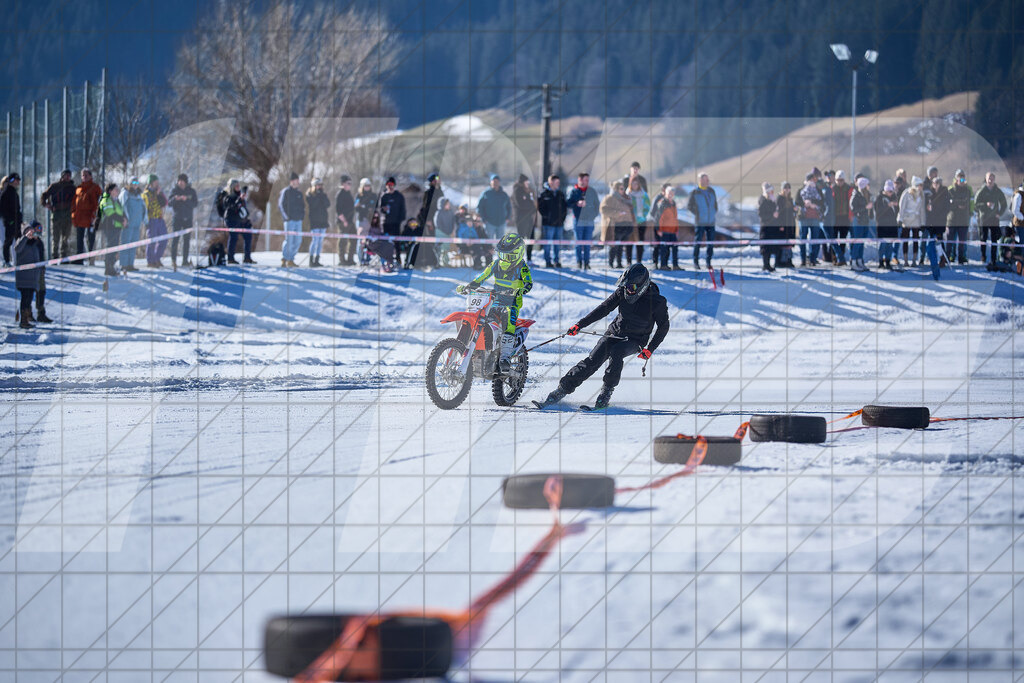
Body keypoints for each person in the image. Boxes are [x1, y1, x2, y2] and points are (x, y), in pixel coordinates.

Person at [534, 263, 669, 410]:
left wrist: (650, 349)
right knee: (591, 361)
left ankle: (605, 395)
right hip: (614, 333)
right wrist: (579, 325)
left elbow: (663, 327)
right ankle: (560, 392)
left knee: (617, 352)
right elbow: (603, 309)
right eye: (626, 287)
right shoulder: (622, 292)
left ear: (642, 286)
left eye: (631, 287)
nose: (628, 291)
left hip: (636, 340)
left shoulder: (657, 302)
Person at [455, 234, 533, 373]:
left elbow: (528, 283)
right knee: (478, 315)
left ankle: (505, 357)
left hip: (511, 303)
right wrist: (470, 286)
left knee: (508, 318)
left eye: (508, 256)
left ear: (518, 253)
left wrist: (520, 290)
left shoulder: (522, 267)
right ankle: (476, 349)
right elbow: (482, 277)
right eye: (502, 254)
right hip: (494, 301)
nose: (504, 259)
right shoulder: (496, 264)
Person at [14, 222, 46, 329]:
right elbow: (17, 249)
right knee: (25, 298)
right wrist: (25, 237)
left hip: (32, 280)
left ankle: (27, 319)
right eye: (29, 232)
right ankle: (23, 320)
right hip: (24, 279)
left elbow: (38, 261)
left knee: (29, 299)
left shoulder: (35, 245)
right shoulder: (21, 242)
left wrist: (40, 271)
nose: (31, 234)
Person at [409, 173, 443, 269]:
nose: (438, 181)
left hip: (438, 221)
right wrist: (428, 221)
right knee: (427, 242)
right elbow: (425, 209)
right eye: (436, 179)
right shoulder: (428, 193)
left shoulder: (440, 192)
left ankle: (434, 262)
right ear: (432, 181)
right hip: (428, 221)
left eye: (439, 179)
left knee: (435, 242)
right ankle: (422, 262)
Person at [567, 172, 600, 270]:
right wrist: (577, 203)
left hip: (589, 221)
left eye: (587, 180)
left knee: (587, 243)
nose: (586, 182)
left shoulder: (592, 191)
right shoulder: (574, 191)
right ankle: (578, 262)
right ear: (579, 180)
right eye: (584, 180)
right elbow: (568, 203)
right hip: (578, 220)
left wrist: (593, 216)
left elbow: (596, 205)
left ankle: (586, 262)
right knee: (578, 242)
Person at [41, 169, 75, 260]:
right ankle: (54, 257)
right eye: (66, 175)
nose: (67, 177)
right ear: (62, 176)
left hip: (68, 215)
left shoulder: (72, 188)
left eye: (69, 175)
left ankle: (63, 257)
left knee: (66, 237)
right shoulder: (55, 186)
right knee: (55, 238)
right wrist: (47, 205)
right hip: (56, 214)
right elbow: (44, 195)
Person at [600, 180, 634, 269]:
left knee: (621, 246)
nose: (623, 190)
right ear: (616, 189)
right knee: (614, 245)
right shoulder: (609, 198)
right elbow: (603, 210)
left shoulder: (625, 198)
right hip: (616, 226)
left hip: (626, 226)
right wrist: (617, 213)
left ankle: (619, 263)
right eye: (621, 189)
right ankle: (611, 262)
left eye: (624, 188)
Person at [975, 172, 1007, 266]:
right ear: (986, 179)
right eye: (989, 178)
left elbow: (1004, 204)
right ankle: (983, 256)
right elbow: (976, 205)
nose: (990, 180)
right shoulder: (982, 190)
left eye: (992, 178)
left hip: (994, 218)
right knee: (983, 238)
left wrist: (999, 213)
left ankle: (993, 259)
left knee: (994, 239)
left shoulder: (997, 191)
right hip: (984, 218)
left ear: (994, 179)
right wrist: (985, 205)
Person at [167, 173, 198, 269]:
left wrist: (186, 200)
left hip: (188, 219)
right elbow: (169, 203)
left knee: (186, 241)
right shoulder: (174, 190)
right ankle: (173, 260)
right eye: (179, 181)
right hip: (177, 219)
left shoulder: (191, 191)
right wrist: (176, 199)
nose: (180, 183)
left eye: (182, 181)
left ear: (186, 182)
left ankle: (185, 260)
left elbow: (195, 204)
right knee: (175, 240)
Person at [71, 168, 101, 265]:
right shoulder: (79, 189)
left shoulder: (95, 188)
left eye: (86, 175)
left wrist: (94, 216)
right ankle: (79, 258)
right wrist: (73, 216)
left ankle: (91, 259)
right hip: (79, 218)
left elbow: (97, 203)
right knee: (79, 239)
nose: (84, 177)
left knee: (90, 239)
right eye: (82, 175)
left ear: (91, 176)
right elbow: (74, 204)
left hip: (90, 218)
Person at [536, 174, 567, 268]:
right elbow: (540, 208)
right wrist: (547, 217)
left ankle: (557, 261)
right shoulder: (544, 194)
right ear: (551, 182)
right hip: (548, 224)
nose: (558, 184)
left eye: (558, 182)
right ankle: (548, 261)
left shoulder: (560, 194)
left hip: (559, 224)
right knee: (548, 244)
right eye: (556, 182)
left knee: (557, 245)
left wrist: (562, 219)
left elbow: (564, 208)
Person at [687, 172, 717, 269]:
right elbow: (689, 206)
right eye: (706, 179)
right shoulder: (695, 192)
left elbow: (715, 205)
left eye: (708, 179)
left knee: (710, 242)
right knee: (698, 242)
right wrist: (698, 213)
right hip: (700, 222)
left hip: (711, 222)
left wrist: (713, 213)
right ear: (700, 180)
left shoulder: (712, 191)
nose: (708, 181)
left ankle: (708, 262)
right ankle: (696, 262)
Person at [97, 183, 126, 277]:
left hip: (117, 227)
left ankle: (112, 266)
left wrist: (125, 219)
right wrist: (121, 220)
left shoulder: (117, 201)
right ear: (110, 191)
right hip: (109, 227)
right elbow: (110, 213)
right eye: (115, 189)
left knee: (115, 247)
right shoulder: (106, 200)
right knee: (110, 246)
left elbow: (121, 211)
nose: (117, 191)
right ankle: (108, 268)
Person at [945, 169, 973, 265]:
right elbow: (949, 204)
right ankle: (948, 257)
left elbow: (969, 202)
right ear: (956, 178)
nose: (961, 179)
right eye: (959, 177)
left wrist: (970, 212)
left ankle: (961, 257)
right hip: (952, 219)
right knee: (950, 241)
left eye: (963, 177)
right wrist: (957, 204)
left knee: (962, 241)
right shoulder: (950, 189)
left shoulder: (968, 189)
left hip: (963, 219)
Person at [898, 176, 926, 270]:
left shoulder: (922, 195)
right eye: (920, 185)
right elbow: (902, 206)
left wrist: (922, 222)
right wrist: (900, 219)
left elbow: (922, 209)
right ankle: (905, 260)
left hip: (916, 220)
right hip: (906, 219)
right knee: (905, 239)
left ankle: (914, 260)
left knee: (915, 240)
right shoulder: (906, 193)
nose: (921, 187)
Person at [224, 180, 255, 264]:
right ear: (232, 187)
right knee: (233, 237)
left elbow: (243, 209)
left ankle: (247, 258)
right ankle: (230, 258)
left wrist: (247, 220)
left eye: (238, 186)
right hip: (231, 220)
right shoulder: (228, 197)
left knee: (248, 236)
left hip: (241, 220)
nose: (238, 187)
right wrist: (239, 199)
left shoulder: (240, 196)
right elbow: (232, 207)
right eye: (236, 186)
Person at [119, 178, 146, 272]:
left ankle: (130, 264)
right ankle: (124, 264)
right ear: (130, 183)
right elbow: (122, 206)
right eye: (133, 182)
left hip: (137, 224)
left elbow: (143, 208)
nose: (135, 184)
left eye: (137, 183)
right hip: (128, 223)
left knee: (133, 244)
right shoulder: (125, 193)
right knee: (125, 243)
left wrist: (144, 220)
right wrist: (124, 218)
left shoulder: (139, 195)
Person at [278, 172, 305, 267]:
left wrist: (302, 216)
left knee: (298, 240)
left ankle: (290, 258)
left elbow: (302, 206)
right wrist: (286, 217)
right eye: (296, 180)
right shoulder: (286, 191)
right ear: (291, 181)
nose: (297, 182)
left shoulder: (299, 193)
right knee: (288, 240)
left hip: (298, 221)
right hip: (289, 221)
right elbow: (281, 205)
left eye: (298, 180)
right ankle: (285, 258)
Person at [141, 174, 168, 268]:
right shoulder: (146, 194)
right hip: (152, 219)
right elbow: (145, 208)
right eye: (155, 182)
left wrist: (159, 194)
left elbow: (164, 203)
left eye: (157, 182)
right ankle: (150, 260)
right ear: (151, 183)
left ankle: (157, 258)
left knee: (164, 239)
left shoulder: (159, 193)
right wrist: (146, 221)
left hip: (160, 218)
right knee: (152, 241)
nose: (157, 184)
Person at [925, 175, 951, 272]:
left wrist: (941, 214)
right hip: (931, 220)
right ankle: (932, 258)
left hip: (940, 221)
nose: (936, 185)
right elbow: (926, 205)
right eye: (934, 183)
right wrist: (928, 208)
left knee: (939, 240)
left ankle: (942, 258)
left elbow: (948, 207)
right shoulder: (930, 193)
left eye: (937, 183)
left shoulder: (945, 192)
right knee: (931, 240)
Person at [798, 172, 824, 266]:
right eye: (810, 179)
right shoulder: (801, 190)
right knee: (803, 239)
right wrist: (805, 204)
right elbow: (797, 201)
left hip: (815, 218)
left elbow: (822, 202)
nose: (812, 181)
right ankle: (803, 260)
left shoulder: (818, 190)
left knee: (815, 239)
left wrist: (813, 204)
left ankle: (813, 259)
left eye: (813, 180)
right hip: (804, 218)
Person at [849, 177, 874, 272]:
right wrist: (865, 207)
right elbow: (853, 209)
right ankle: (854, 261)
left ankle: (860, 261)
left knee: (862, 241)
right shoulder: (856, 195)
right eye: (867, 185)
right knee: (857, 241)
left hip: (865, 221)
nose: (869, 187)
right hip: (858, 221)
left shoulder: (867, 195)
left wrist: (870, 210)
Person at [476, 174, 511, 241]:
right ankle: (489, 252)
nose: (495, 183)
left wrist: (507, 218)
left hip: (501, 223)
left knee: (501, 243)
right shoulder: (486, 193)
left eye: (497, 181)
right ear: (491, 182)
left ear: (499, 182)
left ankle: (499, 252)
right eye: (494, 181)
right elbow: (479, 207)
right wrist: (484, 219)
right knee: (489, 242)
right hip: (489, 223)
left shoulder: (504, 195)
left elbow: (509, 207)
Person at [653, 185, 680, 270]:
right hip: (664, 230)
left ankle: (675, 265)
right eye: (669, 193)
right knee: (664, 249)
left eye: (672, 193)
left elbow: (675, 217)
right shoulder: (662, 203)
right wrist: (658, 229)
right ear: (665, 193)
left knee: (675, 248)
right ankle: (663, 265)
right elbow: (658, 217)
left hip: (673, 230)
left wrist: (676, 229)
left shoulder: (673, 203)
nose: (670, 195)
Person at [511, 174, 537, 262]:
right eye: (526, 182)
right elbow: (521, 204)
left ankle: (529, 258)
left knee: (531, 238)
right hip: (521, 219)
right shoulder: (517, 191)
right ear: (522, 182)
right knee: (521, 239)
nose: (528, 183)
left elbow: (534, 205)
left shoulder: (528, 191)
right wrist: (530, 205)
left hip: (529, 219)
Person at [305, 178, 330, 267]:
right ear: (314, 186)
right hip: (314, 221)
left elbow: (328, 204)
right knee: (315, 240)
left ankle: (317, 260)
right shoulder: (310, 195)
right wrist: (318, 196)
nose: (320, 187)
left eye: (321, 185)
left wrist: (322, 196)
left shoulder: (323, 194)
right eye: (318, 185)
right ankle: (311, 260)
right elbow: (313, 205)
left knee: (320, 241)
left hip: (323, 221)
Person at [875, 179, 900, 270]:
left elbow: (897, 212)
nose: (890, 193)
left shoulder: (894, 197)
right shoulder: (879, 198)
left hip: (892, 224)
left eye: (891, 191)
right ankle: (881, 261)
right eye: (889, 191)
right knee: (883, 244)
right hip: (882, 225)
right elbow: (878, 212)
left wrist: (896, 206)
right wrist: (887, 206)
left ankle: (888, 261)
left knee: (890, 245)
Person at [757, 182, 782, 272]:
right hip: (766, 227)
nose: (772, 192)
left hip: (773, 227)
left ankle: (770, 264)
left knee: (772, 247)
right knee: (766, 248)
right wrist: (772, 215)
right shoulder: (763, 200)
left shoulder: (772, 200)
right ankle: (766, 265)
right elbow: (761, 214)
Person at [354, 178, 377, 265]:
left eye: (368, 185)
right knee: (361, 241)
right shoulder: (359, 196)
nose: (367, 187)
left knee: (370, 241)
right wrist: (364, 207)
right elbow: (356, 207)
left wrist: (365, 207)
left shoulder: (373, 196)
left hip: (371, 221)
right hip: (361, 220)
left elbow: (375, 207)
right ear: (362, 186)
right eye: (365, 186)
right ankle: (361, 260)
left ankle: (367, 258)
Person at [628, 177, 651, 265]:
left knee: (640, 241)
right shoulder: (628, 194)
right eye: (633, 184)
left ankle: (639, 261)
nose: (635, 186)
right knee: (630, 241)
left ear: (639, 185)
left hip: (641, 221)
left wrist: (643, 215)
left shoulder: (643, 194)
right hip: (631, 221)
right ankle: (629, 262)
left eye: (636, 184)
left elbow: (648, 206)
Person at [832, 170, 853, 266]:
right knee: (834, 238)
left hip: (845, 217)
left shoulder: (849, 189)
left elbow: (850, 203)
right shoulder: (832, 189)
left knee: (843, 238)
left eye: (841, 180)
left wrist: (850, 216)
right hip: (835, 217)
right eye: (838, 180)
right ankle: (834, 257)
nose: (839, 182)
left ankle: (842, 257)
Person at [1, 173, 22, 267]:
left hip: (16, 221)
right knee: (8, 241)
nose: (18, 182)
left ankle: (19, 260)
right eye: (17, 180)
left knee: (19, 241)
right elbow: (2, 209)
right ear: (12, 180)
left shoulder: (14, 192)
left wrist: (19, 220)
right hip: (10, 222)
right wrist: (10, 220)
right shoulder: (6, 192)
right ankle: (6, 261)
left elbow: (17, 208)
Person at [335, 175, 356, 265]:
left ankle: (350, 259)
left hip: (351, 221)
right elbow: (338, 210)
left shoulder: (349, 194)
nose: (350, 185)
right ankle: (342, 260)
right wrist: (344, 221)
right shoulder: (340, 194)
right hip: (343, 222)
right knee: (342, 241)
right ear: (343, 184)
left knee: (354, 240)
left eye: (350, 183)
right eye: (348, 183)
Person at [777, 181, 797, 268]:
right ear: (782, 189)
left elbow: (791, 212)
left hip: (790, 224)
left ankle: (789, 260)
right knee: (782, 243)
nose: (787, 190)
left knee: (789, 243)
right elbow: (779, 213)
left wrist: (794, 209)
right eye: (785, 188)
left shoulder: (790, 199)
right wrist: (780, 225)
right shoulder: (780, 199)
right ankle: (781, 261)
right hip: (783, 224)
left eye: (788, 188)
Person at [433, 197, 456, 267]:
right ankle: (437, 262)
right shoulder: (439, 212)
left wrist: (452, 230)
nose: (448, 205)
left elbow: (453, 221)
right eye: (447, 204)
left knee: (446, 248)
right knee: (439, 248)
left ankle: (445, 262)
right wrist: (444, 231)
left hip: (448, 233)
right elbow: (437, 223)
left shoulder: (451, 212)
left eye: (449, 204)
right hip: (440, 232)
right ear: (443, 204)